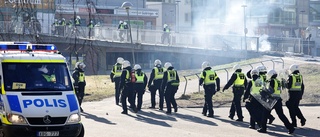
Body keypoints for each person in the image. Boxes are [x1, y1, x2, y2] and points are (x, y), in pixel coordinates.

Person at [260, 69, 295, 134]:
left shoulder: (272, 81)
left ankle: (263, 128)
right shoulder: (278, 81)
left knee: (264, 114)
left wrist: (264, 91)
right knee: (281, 115)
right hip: (278, 99)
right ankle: (290, 127)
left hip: (272, 99)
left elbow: (271, 91)